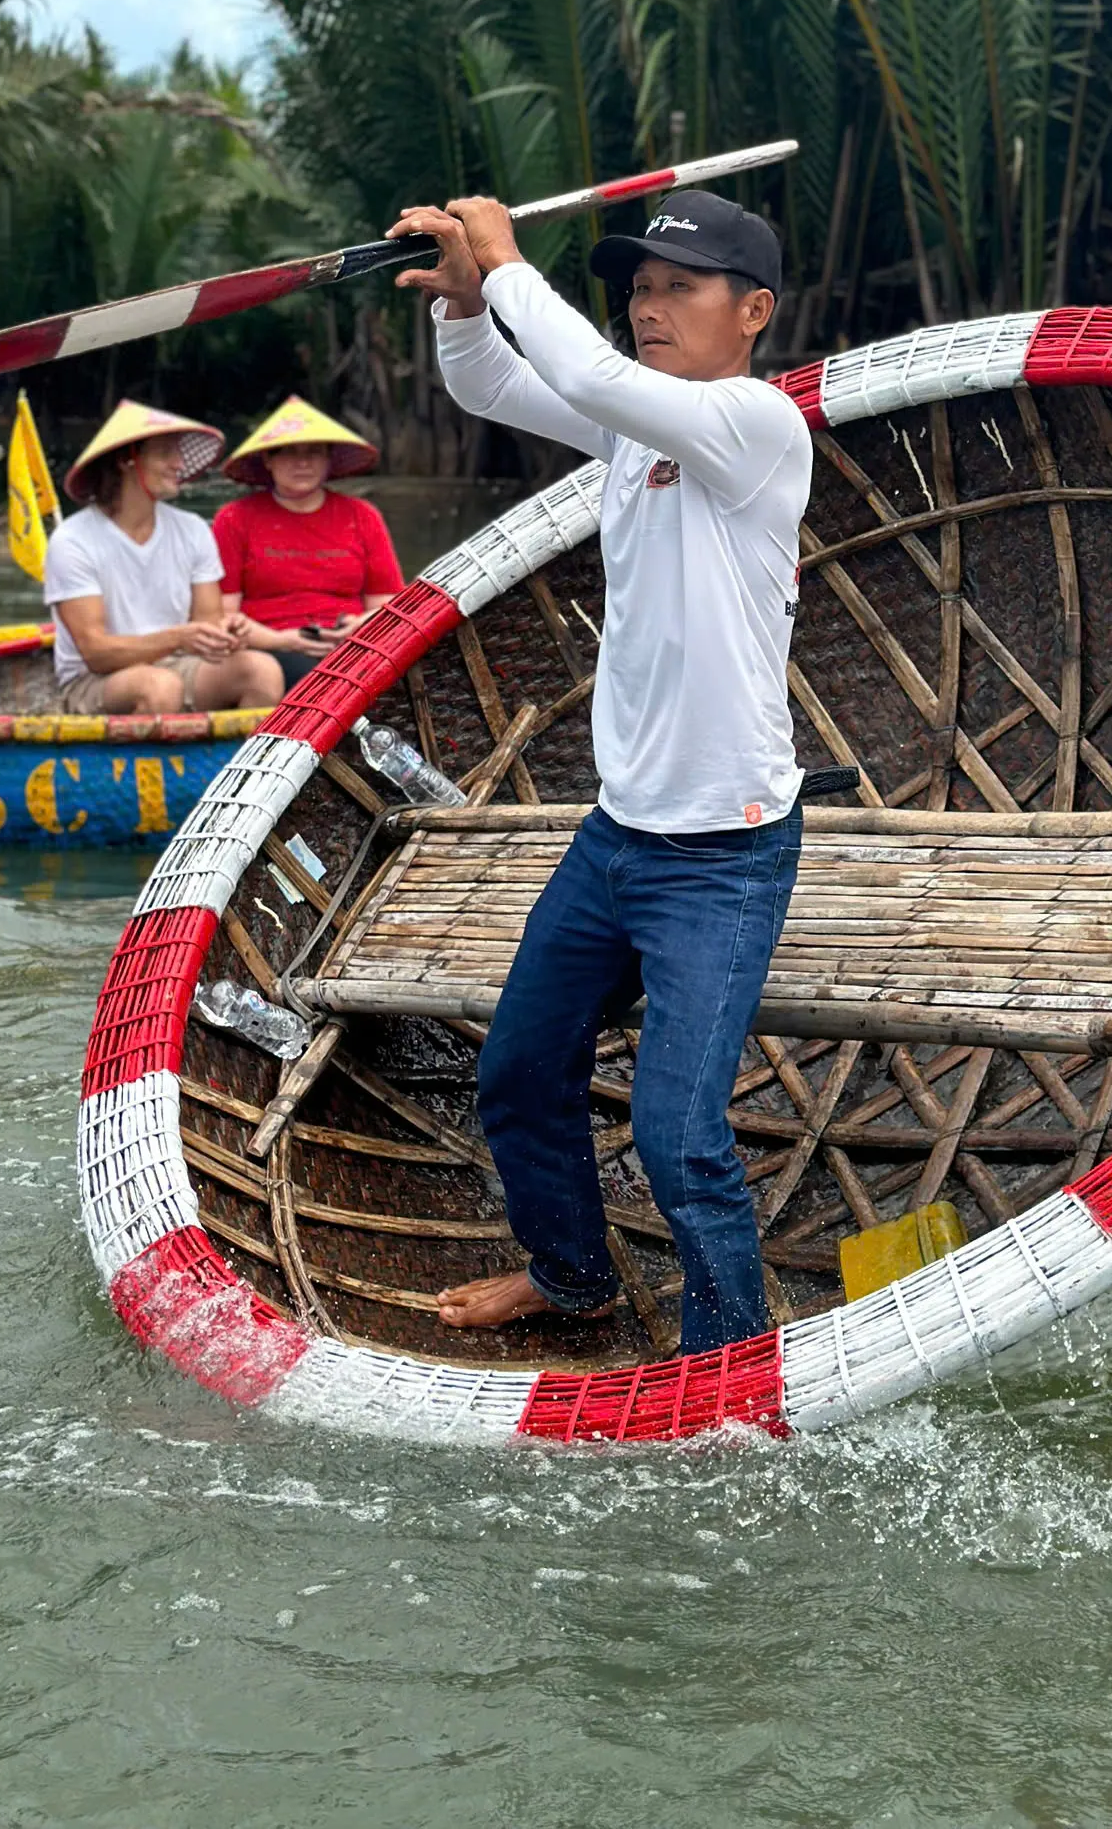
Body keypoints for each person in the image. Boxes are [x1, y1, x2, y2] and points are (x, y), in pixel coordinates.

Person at [390, 186, 812, 1358]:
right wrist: (471, 307)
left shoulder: (753, 424)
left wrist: (507, 258)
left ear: (754, 312)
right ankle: (574, 1279)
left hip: (724, 854)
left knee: (681, 1137)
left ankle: (725, 1362)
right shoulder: (638, 427)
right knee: (521, 1073)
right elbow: (498, 385)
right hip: (619, 835)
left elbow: (588, 376)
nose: (650, 306)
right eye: (638, 289)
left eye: (680, 287)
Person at [42, 402, 283, 717]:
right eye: (165, 453)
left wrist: (225, 634)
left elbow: (207, 622)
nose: (178, 464)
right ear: (126, 459)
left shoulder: (192, 529)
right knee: (159, 687)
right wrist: (180, 636)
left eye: (178, 453)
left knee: (262, 672)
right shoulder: (73, 540)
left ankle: (235, 765)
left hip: (177, 664)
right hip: (95, 680)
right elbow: (96, 653)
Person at [212, 397, 401, 689]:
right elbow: (223, 615)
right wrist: (283, 640)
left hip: (352, 644)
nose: (303, 462)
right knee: (314, 680)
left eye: (314, 452)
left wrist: (359, 626)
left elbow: (387, 604)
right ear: (268, 460)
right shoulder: (235, 518)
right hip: (270, 646)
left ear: (328, 460)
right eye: (288, 452)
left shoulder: (363, 515)